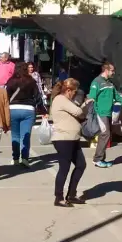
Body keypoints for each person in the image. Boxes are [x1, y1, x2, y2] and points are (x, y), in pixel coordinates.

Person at [88, 62, 122, 168]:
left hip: (109, 113)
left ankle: (101, 159)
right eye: (112, 70)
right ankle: (97, 159)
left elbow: (118, 97)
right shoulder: (97, 82)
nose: (114, 72)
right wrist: (94, 111)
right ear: (106, 70)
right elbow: (91, 97)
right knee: (105, 134)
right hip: (101, 113)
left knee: (105, 135)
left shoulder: (110, 83)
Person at [50, 79, 88, 207]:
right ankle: (59, 197)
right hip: (63, 138)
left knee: (81, 164)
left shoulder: (66, 101)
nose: (75, 94)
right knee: (64, 168)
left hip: (72, 138)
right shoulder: (61, 99)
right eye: (75, 92)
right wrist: (84, 105)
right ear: (68, 90)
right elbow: (78, 112)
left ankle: (71, 194)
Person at [6, 63, 45, 167]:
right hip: (28, 110)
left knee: (15, 135)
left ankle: (15, 159)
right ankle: (25, 158)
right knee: (26, 135)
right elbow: (38, 97)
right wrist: (43, 111)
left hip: (13, 109)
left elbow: (6, 97)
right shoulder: (31, 81)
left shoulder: (11, 81)